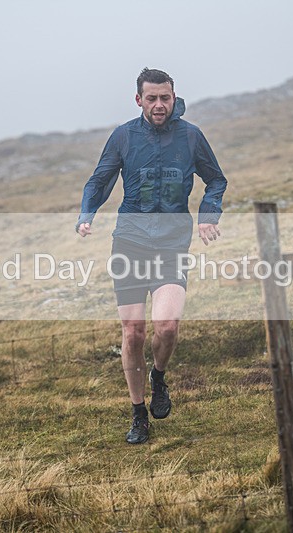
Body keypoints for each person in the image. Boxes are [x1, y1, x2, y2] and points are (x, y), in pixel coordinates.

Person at [76, 68, 228, 443]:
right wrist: (86, 213)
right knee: (133, 332)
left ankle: (158, 377)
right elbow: (100, 179)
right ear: (139, 100)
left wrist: (209, 215)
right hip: (129, 243)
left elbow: (216, 180)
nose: (159, 105)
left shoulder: (191, 136)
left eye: (165, 98)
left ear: (174, 97)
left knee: (168, 327)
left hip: (172, 244)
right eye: (152, 98)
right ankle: (138, 413)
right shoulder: (123, 136)